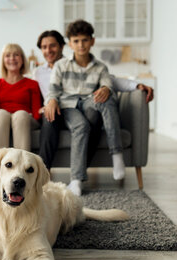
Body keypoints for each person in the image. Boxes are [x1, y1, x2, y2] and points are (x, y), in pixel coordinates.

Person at [35, 30, 154, 176]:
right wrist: (44, 105)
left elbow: (111, 80)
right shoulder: (38, 72)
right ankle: (42, 173)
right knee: (49, 116)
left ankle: (79, 174)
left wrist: (136, 85)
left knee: (93, 118)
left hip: (76, 109)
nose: (48, 50)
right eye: (44, 47)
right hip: (55, 111)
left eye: (52, 46)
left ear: (62, 46)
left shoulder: (76, 64)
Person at [45, 20, 125, 196]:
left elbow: (107, 83)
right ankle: (76, 180)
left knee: (107, 97)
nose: (81, 45)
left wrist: (106, 88)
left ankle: (116, 154)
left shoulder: (101, 67)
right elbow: (53, 91)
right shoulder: (61, 65)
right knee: (81, 126)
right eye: (76, 41)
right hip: (68, 107)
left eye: (85, 40)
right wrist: (51, 101)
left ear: (92, 41)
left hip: (90, 104)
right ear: (70, 43)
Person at [0, 44, 42, 153]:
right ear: (3, 60)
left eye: (16, 55)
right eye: (8, 55)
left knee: (20, 115)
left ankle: (22, 165)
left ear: (22, 59)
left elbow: (36, 114)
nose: (12, 59)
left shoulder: (32, 84)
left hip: (25, 119)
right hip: (2, 120)